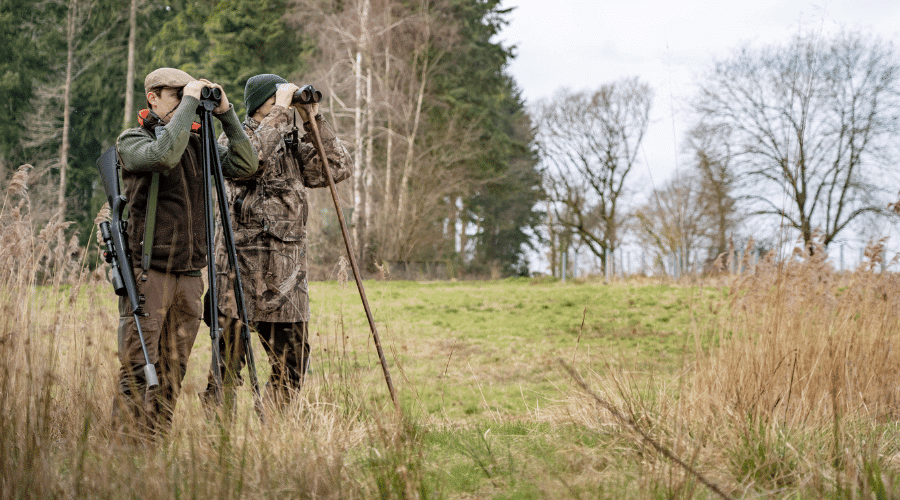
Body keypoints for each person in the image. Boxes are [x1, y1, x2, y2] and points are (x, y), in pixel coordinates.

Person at [112, 67, 257, 438]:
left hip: (190, 276)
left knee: (173, 371)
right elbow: (163, 156)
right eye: (177, 95)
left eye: (187, 94)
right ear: (152, 98)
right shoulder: (132, 140)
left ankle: (154, 445)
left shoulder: (197, 144)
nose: (186, 103)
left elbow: (245, 165)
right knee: (137, 367)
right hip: (150, 272)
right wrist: (190, 101)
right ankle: (123, 457)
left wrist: (226, 114)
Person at [200, 73, 352, 411]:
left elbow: (338, 168)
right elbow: (250, 162)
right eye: (276, 100)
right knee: (226, 369)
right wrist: (281, 112)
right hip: (236, 277)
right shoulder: (231, 142)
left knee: (293, 365)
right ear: (260, 106)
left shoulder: (292, 147)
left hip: (286, 280)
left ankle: (275, 433)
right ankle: (217, 440)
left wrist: (313, 119)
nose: (284, 107)